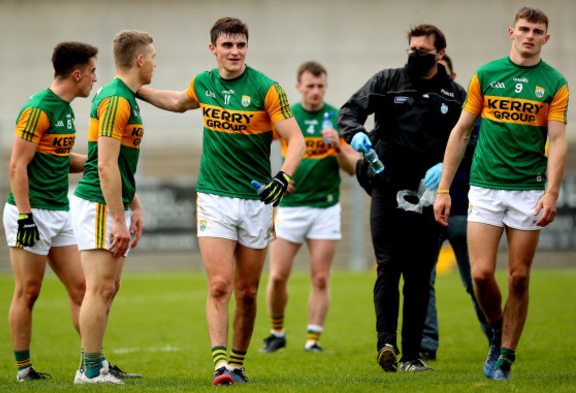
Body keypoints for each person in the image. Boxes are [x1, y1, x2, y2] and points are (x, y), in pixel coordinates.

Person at [135, 17, 305, 386]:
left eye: (241, 45)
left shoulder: (267, 89)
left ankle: (239, 364)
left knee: (247, 292)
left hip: (256, 201)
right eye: (227, 46)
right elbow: (179, 102)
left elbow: (297, 140)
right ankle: (220, 366)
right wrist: (135, 90)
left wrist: (283, 176)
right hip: (213, 196)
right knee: (219, 285)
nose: (235, 52)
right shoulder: (202, 83)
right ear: (213, 49)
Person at [434, 7, 568, 381]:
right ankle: (497, 331)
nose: (530, 35)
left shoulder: (555, 83)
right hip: (486, 188)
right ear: (511, 32)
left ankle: (506, 355)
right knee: (480, 274)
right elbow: (461, 132)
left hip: (528, 191)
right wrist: (444, 188)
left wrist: (552, 192)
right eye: (524, 29)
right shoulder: (486, 75)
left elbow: (557, 142)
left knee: (519, 278)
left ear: (546, 38)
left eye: (537, 30)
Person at [338, 24, 466, 372]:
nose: (415, 56)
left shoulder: (455, 95)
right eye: (411, 49)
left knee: (420, 275)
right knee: (389, 265)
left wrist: (446, 169)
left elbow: (472, 142)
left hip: (428, 194)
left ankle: (412, 356)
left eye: (422, 51)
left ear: (440, 54)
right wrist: (356, 136)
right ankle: (386, 343)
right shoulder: (387, 81)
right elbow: (348, 112)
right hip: (385, 185)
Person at [3, 41, 97, 382]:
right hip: (30, 213)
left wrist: (93, 162)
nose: (94, 78)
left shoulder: (67, 109)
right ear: (76, 74)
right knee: (28, 292)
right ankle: (24, 369)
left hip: (60, 211)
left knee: (82, 288)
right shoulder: (39, 108)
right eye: (91, 72)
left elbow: (58, 159)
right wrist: (25, 216)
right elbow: (17, 166)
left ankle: (92, 363)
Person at [71, 30, 156, 385]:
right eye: (152, 57)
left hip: (111, 204)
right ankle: (90, 370)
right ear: (139, 59)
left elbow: (119, 165)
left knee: (109, 287)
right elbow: (104, 165)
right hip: (97, 204)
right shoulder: (116, 99)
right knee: (99, 288)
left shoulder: (127, 98)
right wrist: (118, 220)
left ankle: (95, 363)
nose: (154, 64)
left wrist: (133, 205)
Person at [260, 61, 359, 354]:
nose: (315, 91)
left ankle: (313, 341)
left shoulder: (336, 118)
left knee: (319, 277)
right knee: (277, 276)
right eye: (309, 86)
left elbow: (353, 169)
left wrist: (339, 148)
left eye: (320, 86)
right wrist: (275, 179)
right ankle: (277, 332)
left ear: (325, 87)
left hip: (325, 208)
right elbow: (257, 148)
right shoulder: (287, 117)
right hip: (289, 207)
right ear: (299, 87)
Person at [420, 54, 492, 361]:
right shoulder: (421, 113)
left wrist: (447, 173)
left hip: (465, 210)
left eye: (441, 72)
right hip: (427, 212)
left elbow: (480, 158)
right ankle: (426, 345)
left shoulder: (471, 113)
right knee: (423, 282)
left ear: (453, 74)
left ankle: (496, 337)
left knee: (478, 279)